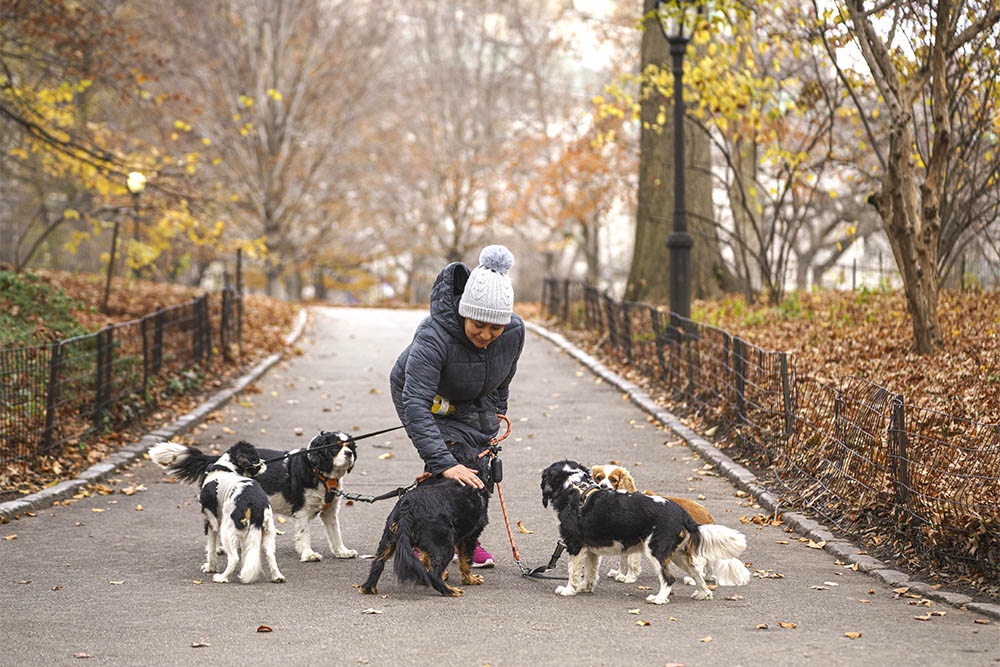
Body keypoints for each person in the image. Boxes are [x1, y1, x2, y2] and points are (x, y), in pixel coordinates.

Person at [389, 244, 525, 568]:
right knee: (452, 468)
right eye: (478, 324)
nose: (486, 334)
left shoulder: (514, 333)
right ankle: (430, 537)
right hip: (425, 396)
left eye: (495, 327)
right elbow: (416, 402)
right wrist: (443, 462)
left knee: (480, 468)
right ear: (465, 311)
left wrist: (491, 427)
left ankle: (467, 539)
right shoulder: (433, 336)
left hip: (472, 396)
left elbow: (501, 383)